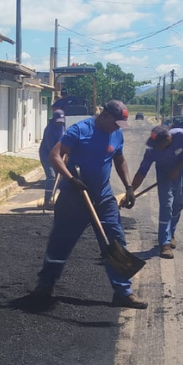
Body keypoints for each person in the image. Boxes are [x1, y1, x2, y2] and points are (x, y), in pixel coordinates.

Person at [32, 100, 147, 309]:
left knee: (116, 242)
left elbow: (119, 159)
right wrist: (70, 180)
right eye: (116, 123)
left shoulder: (117, 133)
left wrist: (129, 186)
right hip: (74, 199)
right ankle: (44, 286)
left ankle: (123, 292)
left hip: (103, 198)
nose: (117, 128)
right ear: (105, 115)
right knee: (60, 243)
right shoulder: (80, 130)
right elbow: (55, 156)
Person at [129, 125, 183, 259]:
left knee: (178, 205)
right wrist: (130, 190)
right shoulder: (151, 151)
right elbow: (142, 172)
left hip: (182, 174)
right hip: (164, 176)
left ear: (167, 140)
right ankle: (164, 243)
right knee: (166, 206)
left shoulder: (182, 135)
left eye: (157, 145)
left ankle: (171, 233)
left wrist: (178, 168)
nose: (155, 147)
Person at [39, 108, 66, 208]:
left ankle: (54, 199)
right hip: (47, 154)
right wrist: (59, 157)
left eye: (62, 122)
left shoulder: (63, 126)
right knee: (51, 177)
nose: (60, 124)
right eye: (58, 122)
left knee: (59, 179)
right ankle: (47, 200)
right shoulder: (49, 130)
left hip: (58, 154)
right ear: (53, 120)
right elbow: (51, 148)